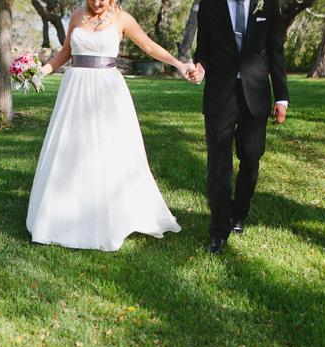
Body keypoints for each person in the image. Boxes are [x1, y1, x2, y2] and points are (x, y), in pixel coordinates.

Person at [26, 0, 194, 251]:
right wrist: (39, 72)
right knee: (72, 149)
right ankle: (65, 211)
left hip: (107, 90)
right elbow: (65, 53)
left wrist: (180, 65)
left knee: (107, 150)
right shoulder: (76, 16)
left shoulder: (123, 19)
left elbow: (148, 46)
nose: (97, 2)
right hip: (75, 89)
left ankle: (110, 214)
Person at [187, 0, 289, 254]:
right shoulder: (210, 5)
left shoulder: (267, 4)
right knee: (219, 162)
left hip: (255, 94)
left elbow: (275, 50)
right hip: (220, 93)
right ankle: (218, 231)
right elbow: (204, 50)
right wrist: (200, 67)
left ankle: (238, 214)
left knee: (252, 156)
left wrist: (281, 97)